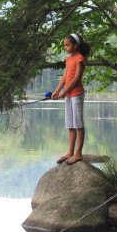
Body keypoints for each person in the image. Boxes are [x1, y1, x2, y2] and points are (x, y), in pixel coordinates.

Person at [52, 33, 91, 165]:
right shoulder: (69, 60)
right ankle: (70, 152)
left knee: (78, 123)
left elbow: (76, 78)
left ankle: (78, 153)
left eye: (67, 45)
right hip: (68, 95)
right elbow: (64, 77)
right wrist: (57, 91)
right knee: (70, 124)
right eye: (65, 45)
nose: (66, 47)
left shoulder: (80, 58)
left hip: (77, 94)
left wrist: (64, 92)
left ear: (75, 45)